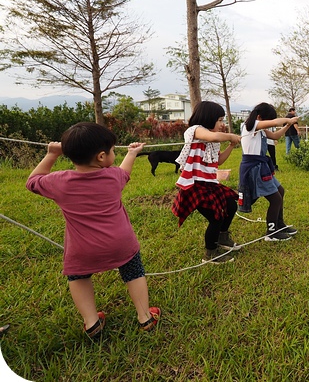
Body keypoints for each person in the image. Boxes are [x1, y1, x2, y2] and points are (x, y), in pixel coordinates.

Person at [26, 122, 160, 339]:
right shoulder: (112, 176)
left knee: (77, 277)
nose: (114, 154)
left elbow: (32, 181)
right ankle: (145, 317)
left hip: (82, 249)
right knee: (134, 273)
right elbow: (124, 173)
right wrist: (133, 153)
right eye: (113, 151)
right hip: (121, 244)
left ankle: (92, 323)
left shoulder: (59, 181)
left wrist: (51, 154)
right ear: (101, 157)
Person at [172, 101, 242, 264]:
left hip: (210, 183)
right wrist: (231, 136)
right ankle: (210, 253)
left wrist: (231, 145)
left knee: (231, 205)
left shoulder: (214, 140)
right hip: (195, 184)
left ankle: (223, 238)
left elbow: (219, 161)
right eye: (219, 120)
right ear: (208, 118)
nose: (221, 124)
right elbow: (214, 136)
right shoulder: (195, 130)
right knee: (216, 216)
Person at [239, 102, 298, 241]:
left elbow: (276, 136)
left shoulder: (259, 128)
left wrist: (288, 125)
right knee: (275, 199)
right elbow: (275, 122)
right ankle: (271, 232)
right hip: (254, 168)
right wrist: (288, 119)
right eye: (267, 120)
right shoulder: (250, 125)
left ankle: (279, 225)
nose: (269, 123)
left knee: (280, 191)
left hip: (261, 165)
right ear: (260, 117)